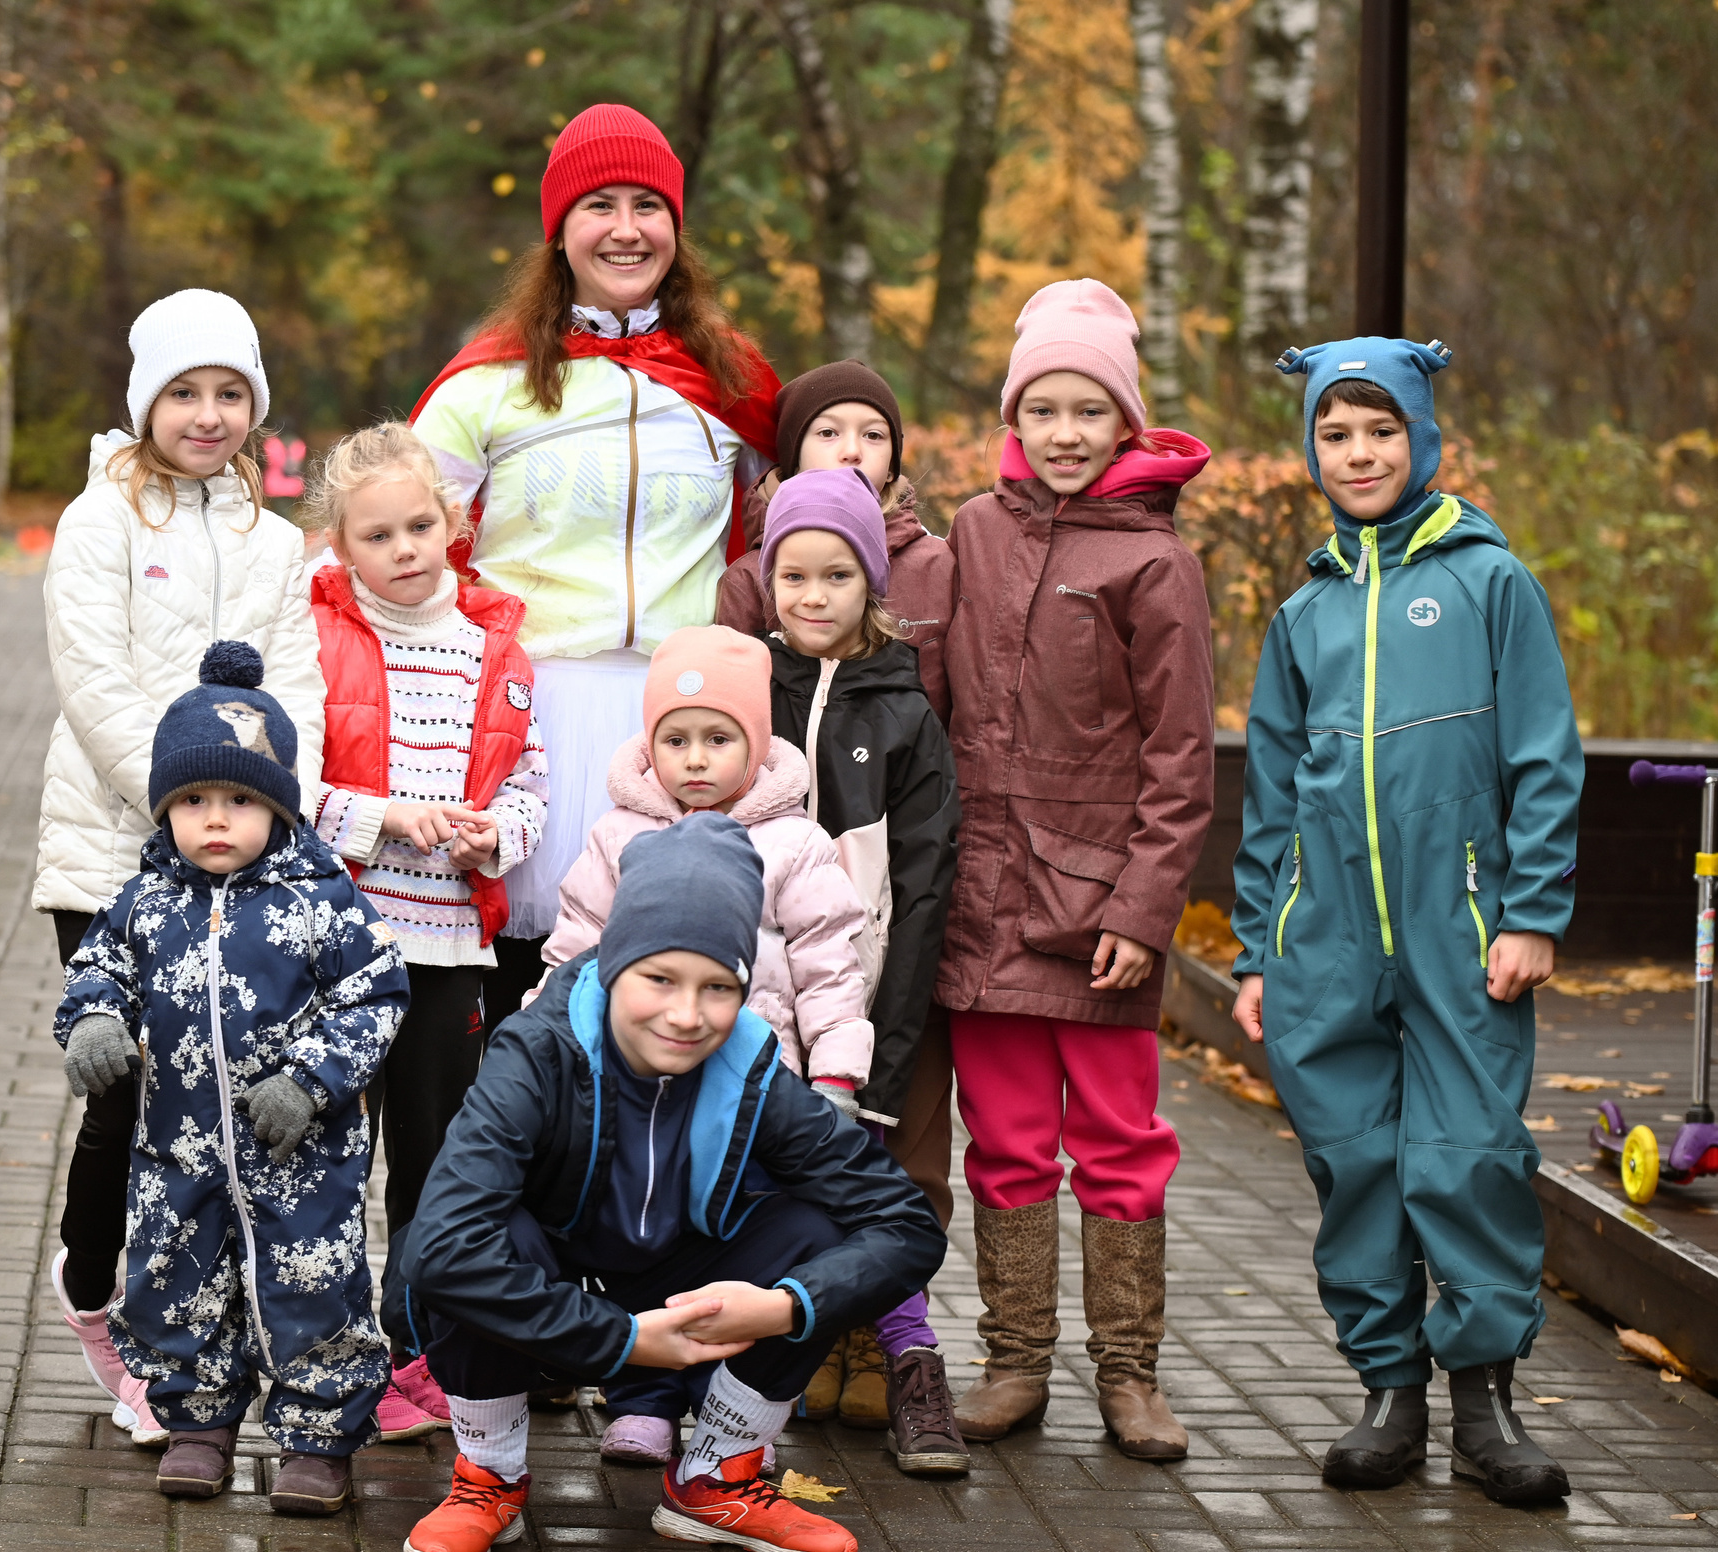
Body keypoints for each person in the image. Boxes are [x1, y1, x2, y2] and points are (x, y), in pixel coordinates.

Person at [386, 814, 945, 1552]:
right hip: (554, 1294)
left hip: (689, 1294)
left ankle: (717, 1478)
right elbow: (439, 1246)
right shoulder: (537, 1050)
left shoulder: (753, 1070)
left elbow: (908, 1223)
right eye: (660, 978)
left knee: (819, 1228)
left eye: (718, 987)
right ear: (615, 963)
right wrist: (620, 1340)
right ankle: (488, 1476)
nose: (687, 1016)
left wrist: (785, 1307)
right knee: (482, 1238)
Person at [1229, 337, 1582, 1506]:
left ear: (1423, 439)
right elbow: (1269, 796)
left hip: (1462, 927)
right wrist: (1256, 949)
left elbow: (1543, 757)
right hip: (1324, 943)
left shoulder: (1488, 582)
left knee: (1466, 1154)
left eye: (1381, 430)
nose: (1359, 452)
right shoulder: (1304, 611)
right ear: (1311, 450)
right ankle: (1390, 1392)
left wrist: (1527, 911)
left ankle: (1482, 1394)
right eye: (1336, 433)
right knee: (1357, 1162)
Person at [410, 102, 782, 1030]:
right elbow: (401, 546)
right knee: (517, 1002)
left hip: (685, 719)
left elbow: (815, 520)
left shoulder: (732, 381)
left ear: (677, 227)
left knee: (666, 993)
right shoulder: (484, 384)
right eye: (599, 206)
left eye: (648, 205)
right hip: (524, 721)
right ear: (559, 232)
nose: (625, 229)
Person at [32, 289, 327, 1452]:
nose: (207, 414)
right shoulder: (99, 521)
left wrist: (256, 814)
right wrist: (174, 806)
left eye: (230, 393)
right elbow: (90, 679)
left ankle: (181, 1341)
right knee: (128, 1096)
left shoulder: (276, 537)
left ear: (254, 406)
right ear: (147, 402)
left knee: (208, 1106)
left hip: (237, 853)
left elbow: (292, 688)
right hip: (112, 854)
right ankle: (95, 1291)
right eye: (185, 392)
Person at [938, 279, 1216, 1462]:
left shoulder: (1155, 565)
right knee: (1002, 1137)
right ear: (1014, 416)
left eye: (1086, 409)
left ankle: (1130, 1372)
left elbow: (1181, 753)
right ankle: (1012, 1363)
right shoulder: (972, 534)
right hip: (979, 901)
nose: (1061, 432)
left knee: (1116, 1134)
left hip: (1100, 910)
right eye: (1040, 407)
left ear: (1125, 423)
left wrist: (1144, 911)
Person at [54, 641, 408, 1510]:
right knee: (175, 1276)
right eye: (196, 800)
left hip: (301, 1151)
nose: (217, 818)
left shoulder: (320, 900)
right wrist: (96, 1015)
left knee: (315, 1283)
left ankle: (319, 1440)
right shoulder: (145, 901)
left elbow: (375, 995)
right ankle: (198, 1421)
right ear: (167, 808)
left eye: (241, 799)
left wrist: (312, 1079)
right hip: (178, 1147)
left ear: (280, 809)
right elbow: (99, 967)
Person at [538, 623, 877, 1468]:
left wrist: (835, 1070)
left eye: (718, 740)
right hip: (639, 1090)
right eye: (675, 739)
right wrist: (549, 1055)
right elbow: (575, 952)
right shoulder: (622, 838)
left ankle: (728, 1405)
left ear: (755, 748)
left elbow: (831, 962)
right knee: (644, 1240)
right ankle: (644, 1397)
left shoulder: (795, 845)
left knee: (747, 1247)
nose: (695, 760)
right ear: (648, 748)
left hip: (761, 1094)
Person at [302, 423, 549, 1442]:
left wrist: (497, 836)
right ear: (340, 545)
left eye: (419, 525)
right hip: (337, 951)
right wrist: (382, 817)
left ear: (453, 524)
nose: (403, 549)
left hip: (450, 952)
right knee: (324, 1156)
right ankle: (318, 1345)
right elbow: (284, 786)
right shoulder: (313, 641)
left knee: (433, 1160)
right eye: (377, 536)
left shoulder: (495, 648)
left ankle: (415, 1352)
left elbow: (532, 784)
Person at [744, 467, 965, 1470]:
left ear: (871, 585)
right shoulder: (747, 690)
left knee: (882, 1168)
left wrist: (892, 1025)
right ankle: (815, 1341)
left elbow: (923, 884)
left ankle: (903, 1353)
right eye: (793, 575)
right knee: (776, 1178)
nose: (813, 596)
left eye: (837, 575)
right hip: (759, 988)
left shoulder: (905, 711)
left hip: (869, 985)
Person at [712, 359, 957, 721]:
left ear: (893, 465)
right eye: (828, 433)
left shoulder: (936, 564)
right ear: (793, 457)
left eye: (874, 435)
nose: (852, 451)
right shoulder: (749, 578)